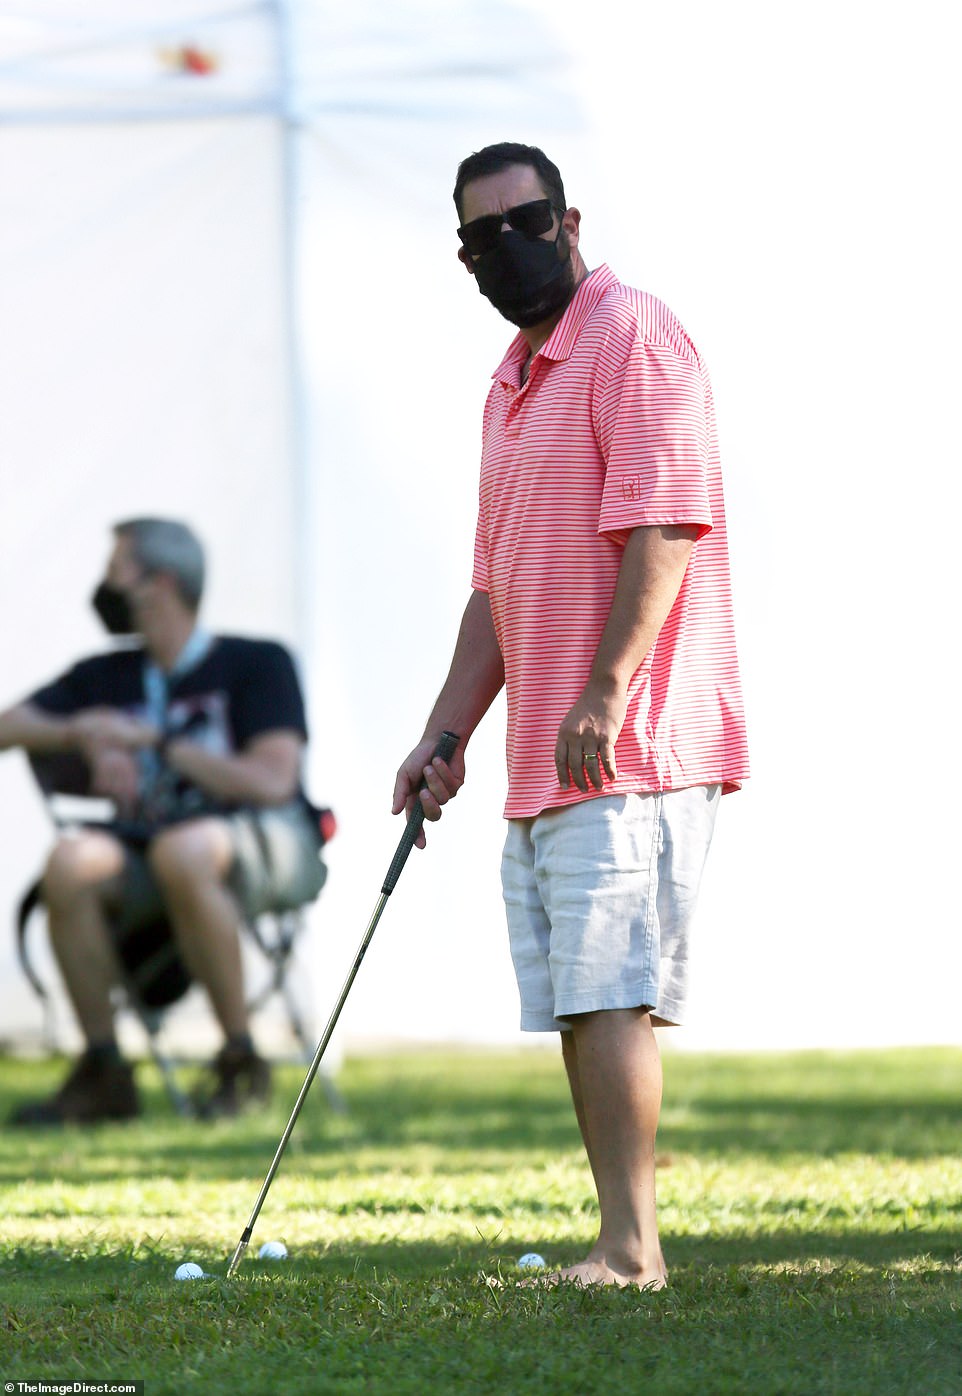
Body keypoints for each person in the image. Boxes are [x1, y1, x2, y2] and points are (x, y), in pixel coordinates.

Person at [393, 143, 750, 1289]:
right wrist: (443, 731)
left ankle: (631, 1251)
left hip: (626, 736)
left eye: (525, 219)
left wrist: (603, 691)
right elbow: (496, 588)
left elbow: (667, 527)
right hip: (546, 745)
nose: (506, 246)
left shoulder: (631, 335)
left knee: (607, 990)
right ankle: (617, 1237)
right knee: (575, 998)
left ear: (569, 216)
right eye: (479, 237)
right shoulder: (508, 383)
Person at [0, 518, 328, 1125]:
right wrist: (85, 731)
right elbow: (6, 726)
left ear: (161, 582)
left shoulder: (255, 663)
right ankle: (103, 1070)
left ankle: (239, 1057)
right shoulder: (105, 678)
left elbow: (272, 781)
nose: (104, 586)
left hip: (266, 844)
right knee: (69, 862)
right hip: (152, 854)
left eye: (115, 571)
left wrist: (153, 741)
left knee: (186, 849)